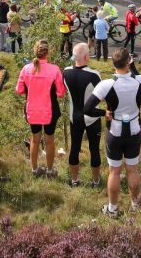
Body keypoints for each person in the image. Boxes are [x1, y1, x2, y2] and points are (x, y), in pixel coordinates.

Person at [85, 48, 141, 217]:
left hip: (114, 131)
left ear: (112, 63)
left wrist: (104, 113)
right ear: (129, 62)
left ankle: (112, 209)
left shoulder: (106, 84)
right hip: (134, 130)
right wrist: (133, 67)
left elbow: (87, 108)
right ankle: (135, 205)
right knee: (132, 169)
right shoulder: (140, 80)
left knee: (114, 172)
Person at [17, 41, 66, 178]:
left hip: (32, 110)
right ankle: (50, 171)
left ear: (35, 52)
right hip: (50, 110)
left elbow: (19, 90)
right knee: (49, 140)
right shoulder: (54, 69)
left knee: (34, 140)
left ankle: (34, 169)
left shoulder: (26, 69)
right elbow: (61, 93)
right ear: (48, 53)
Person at [62, 43, 102, 188]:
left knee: (74, 147)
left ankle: (74, 180)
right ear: (86, 57)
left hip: (75, 117)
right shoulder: (94, 74)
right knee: (94, 149)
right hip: (92, 117)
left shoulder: (65, 72)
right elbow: (102, 96)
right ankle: (96, 181)